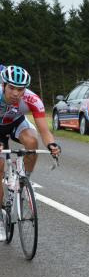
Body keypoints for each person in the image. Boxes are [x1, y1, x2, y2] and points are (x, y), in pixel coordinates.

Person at [0, 65, 61, 241]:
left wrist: (52, 145)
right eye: (12, 88)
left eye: (20, 89)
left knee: (32, 142)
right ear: (3, 85)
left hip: (16, 124)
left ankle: (24, 178)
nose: (16, 93)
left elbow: (44, 130)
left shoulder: (32, 100)